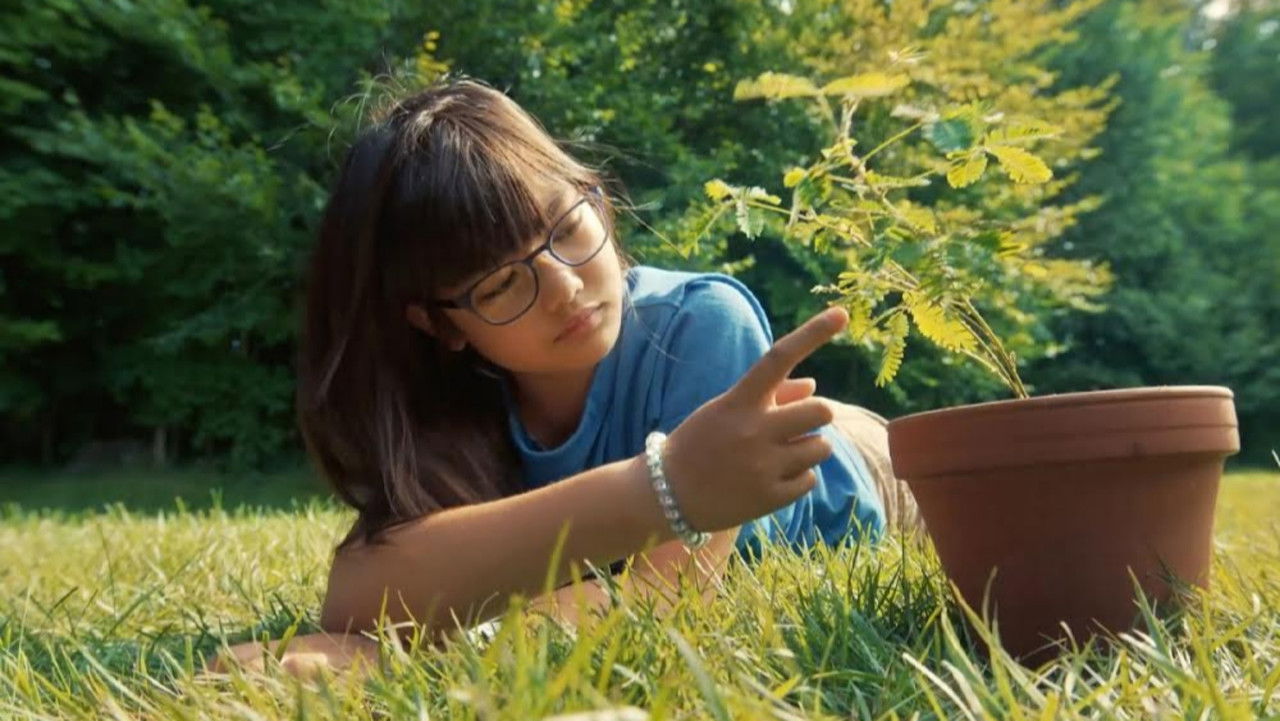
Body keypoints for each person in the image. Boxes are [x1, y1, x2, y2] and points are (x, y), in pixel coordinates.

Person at [205, 78, 920, 680]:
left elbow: (669, 594)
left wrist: (388, 661)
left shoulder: (706, 324)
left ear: (598, 201)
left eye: (567, 227)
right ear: (441, 324)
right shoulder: (457, 404)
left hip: (871, 472)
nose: (564, 286)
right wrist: (670, 486)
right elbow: (362, 592)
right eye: (499, 283)